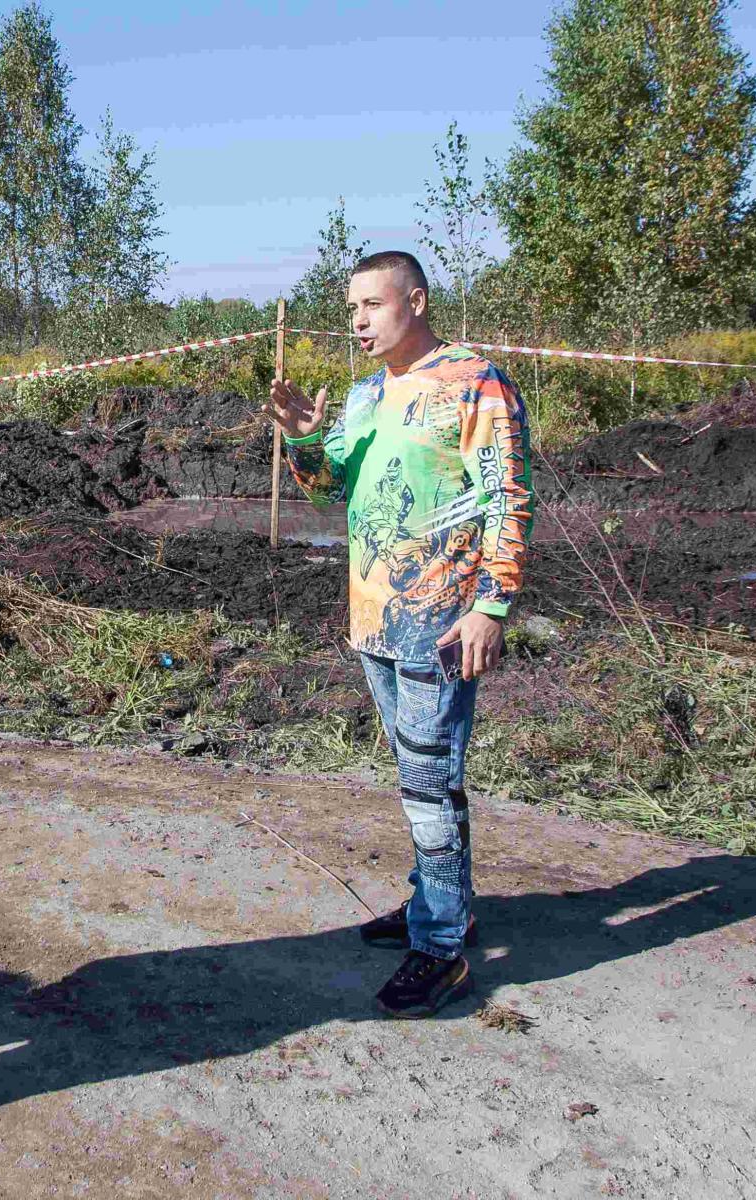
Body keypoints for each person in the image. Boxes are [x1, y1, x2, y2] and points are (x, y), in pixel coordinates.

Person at [267, 251, 535, 1019]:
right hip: (376, 618)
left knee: (428, 784)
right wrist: (308, 441)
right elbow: (334, 493)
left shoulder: (473, 382)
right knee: (422, 776)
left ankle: (442, 950)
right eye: (350, 308)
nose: (357, 321)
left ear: (414, 301)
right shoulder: (365, 395)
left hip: (442, 621)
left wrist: (492, 605)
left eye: (372, 305)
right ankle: (441, 909)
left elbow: (507, 496)